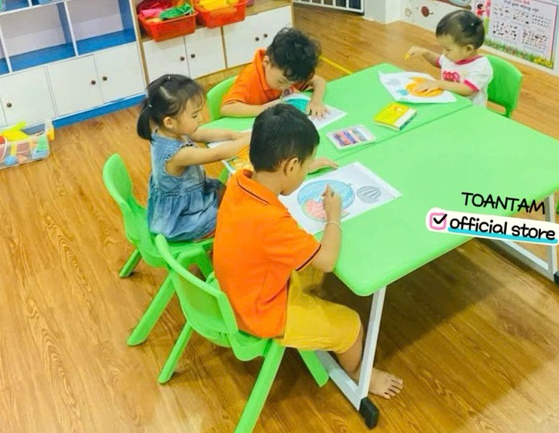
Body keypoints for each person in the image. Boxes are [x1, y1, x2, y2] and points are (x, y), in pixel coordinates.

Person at [213, 104, 404, 400]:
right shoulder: (271, 220)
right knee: (352, 326)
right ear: (290, 166)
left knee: (309, 268)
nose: (305, 173)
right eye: (304, 166)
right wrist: (333, 215)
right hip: (259, 311)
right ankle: (358, 374)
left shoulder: (239, 180)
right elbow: (326, 261)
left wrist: (302, 169)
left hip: (238, 287)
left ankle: (313, 311)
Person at [137, 74, 250, 242]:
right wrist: (249, 139)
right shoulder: (177, 154)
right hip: (184, 217)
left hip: (192, 195)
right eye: (195, 115)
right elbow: (217, 154)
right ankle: (218, 243)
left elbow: (201, 133)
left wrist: (234, 135)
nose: (201, 118)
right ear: (169, 122)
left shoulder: (169, 131)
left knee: (234, 194)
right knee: (238, 216)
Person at [220, 27, 328, 118]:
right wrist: (265, 109)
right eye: (281, 81)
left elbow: (319, 81)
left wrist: (316, 101)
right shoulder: (250, 77)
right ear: (266, 62)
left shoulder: (291, 72)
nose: (285, 87)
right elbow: (227, 108)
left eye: (292, 83)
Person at [405, 10, 493, 106]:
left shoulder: (481, 66)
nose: (444, 53)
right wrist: (425, 52)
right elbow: (438, 61)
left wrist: (439, 84)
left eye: (448, 49)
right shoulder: (454, 56)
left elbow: (468, 89)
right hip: (449, 104)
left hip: (469, 110)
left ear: (468, 49)